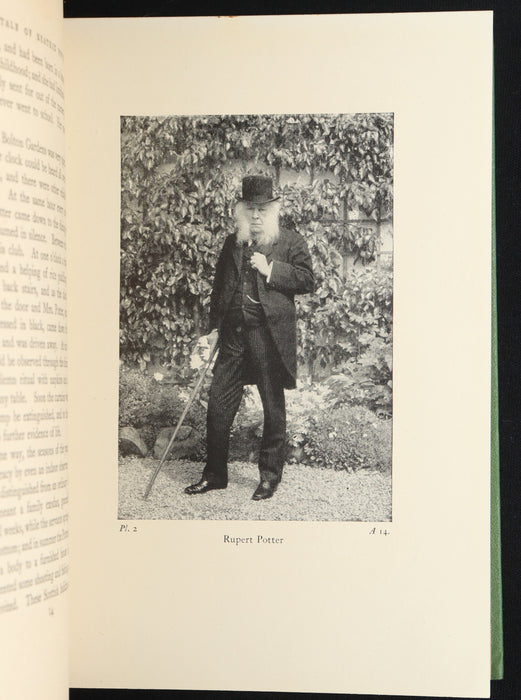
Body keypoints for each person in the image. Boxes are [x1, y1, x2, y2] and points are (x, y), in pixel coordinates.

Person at [185, 175, 314, 500]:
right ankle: (215, 475)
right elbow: (220, 288)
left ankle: (269, 478)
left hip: (268, 338)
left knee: (273, 409)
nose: (256, 216)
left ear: (272, 211)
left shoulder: (290, 242)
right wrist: (213, 329)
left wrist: (270, 269)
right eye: (250, 210)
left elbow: (307, 280)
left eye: (261, 210)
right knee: (218, 405)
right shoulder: (233, 242)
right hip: (233, 338)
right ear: (242, 211)